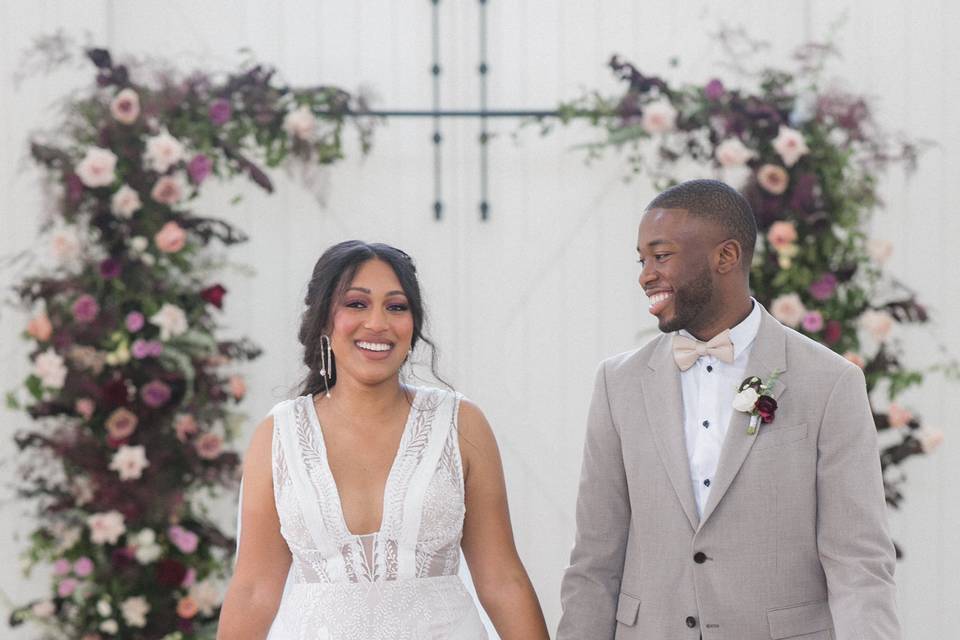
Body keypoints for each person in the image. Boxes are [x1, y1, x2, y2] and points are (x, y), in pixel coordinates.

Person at [557, 180, 900, 639]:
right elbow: (594, 564)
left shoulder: (831, 382)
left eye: (661, 256)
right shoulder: (617, 384)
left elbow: (859, 564)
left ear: (726, 256)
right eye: (642, 260)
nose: (645, 275)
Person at [218, 241, 548, 639]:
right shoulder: (280, 434)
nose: (378, 322)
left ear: (414, 324)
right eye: (356, 304)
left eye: (396, 306)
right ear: (324, 320)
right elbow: (254, 591)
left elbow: (501, 580)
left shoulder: (460, 424)